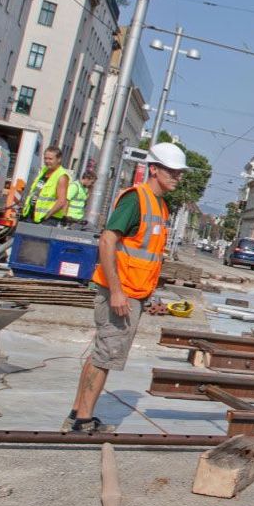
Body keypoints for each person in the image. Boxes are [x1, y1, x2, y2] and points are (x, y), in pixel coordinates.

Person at [63, 142, 185, 433]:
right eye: (172, 171)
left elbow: (146, 255)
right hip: (120, 293)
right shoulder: (136, 200)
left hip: (133, 292)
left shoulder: (160, 206)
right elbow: (107, 241)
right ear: (153, 169)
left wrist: (147, 295)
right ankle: (82, 421)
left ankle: (78, 413)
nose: (176, 178)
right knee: (105, 356)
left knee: (101, 354)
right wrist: (117, 291)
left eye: (179, 173)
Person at [24, 146, 71, 224]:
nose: (47, 161)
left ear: (59, 159)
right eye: (45, 158)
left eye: (50, 159)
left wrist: (46, 217)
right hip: (32, 216)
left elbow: (61, 201)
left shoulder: (62, 176)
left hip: (47, 220)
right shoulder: (44, 171)